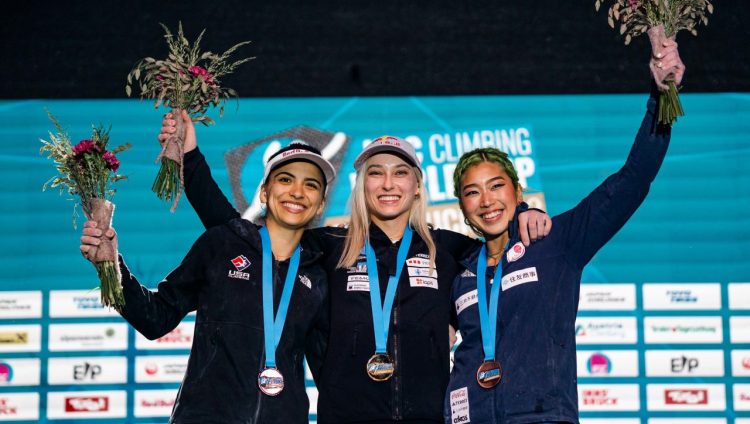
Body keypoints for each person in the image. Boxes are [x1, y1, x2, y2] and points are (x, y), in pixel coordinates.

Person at [168, 123, 552, 422]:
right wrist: (190, 158)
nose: (388, 184)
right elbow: (239, 236)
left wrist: (523, 212)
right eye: (376, 173)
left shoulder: (450, 250)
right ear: (361, 185)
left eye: (400, 173)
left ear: (418, 186)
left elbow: (497, 240)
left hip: (431, 418)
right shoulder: (328, 246)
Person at [444, 42, 683, 423]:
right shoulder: (459, 270)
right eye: (472, 192)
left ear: (518, 192)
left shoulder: (556, 243)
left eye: (496, 186)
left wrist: (661, 97)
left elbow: (632, 181)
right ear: (462, 207)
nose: (486, 200)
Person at [80, 142, 336, 423]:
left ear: (321, 202)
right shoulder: (223, 244)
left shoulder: (320, 275)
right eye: (285, 179)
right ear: (264, 191)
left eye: (311, 185)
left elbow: (331, 372)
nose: (297, 192)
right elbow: (155, 318)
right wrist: (111, 266)